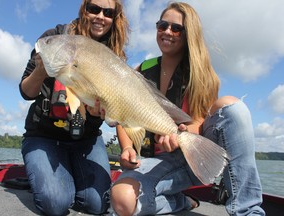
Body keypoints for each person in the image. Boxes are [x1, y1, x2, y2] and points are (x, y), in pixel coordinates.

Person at [110, 2, 265, 216]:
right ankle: (179, 202)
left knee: (233, 108)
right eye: (162, 25)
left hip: (191, 159)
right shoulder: (141, 72)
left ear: (188, 34)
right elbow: (123, 116)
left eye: (176, 28)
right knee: (122, 202)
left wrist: (179, 136)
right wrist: (127, 148)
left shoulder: (203, 75)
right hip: (152, 160)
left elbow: (200, 122)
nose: (167, 32)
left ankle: (248, 210)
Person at [19, 0, 129, 215]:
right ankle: (50, 179)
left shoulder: (113, 56)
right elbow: (25, 92)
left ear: (114, 18)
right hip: (44, 136)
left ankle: (63, 175)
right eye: (94, 9)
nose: (100, 16)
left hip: (85, 140)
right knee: (55, 204)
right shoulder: (54, 38)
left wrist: (101, 112)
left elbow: (112, 114)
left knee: (97, 205)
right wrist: (41, 70)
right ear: (84, 9)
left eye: (108, 12)